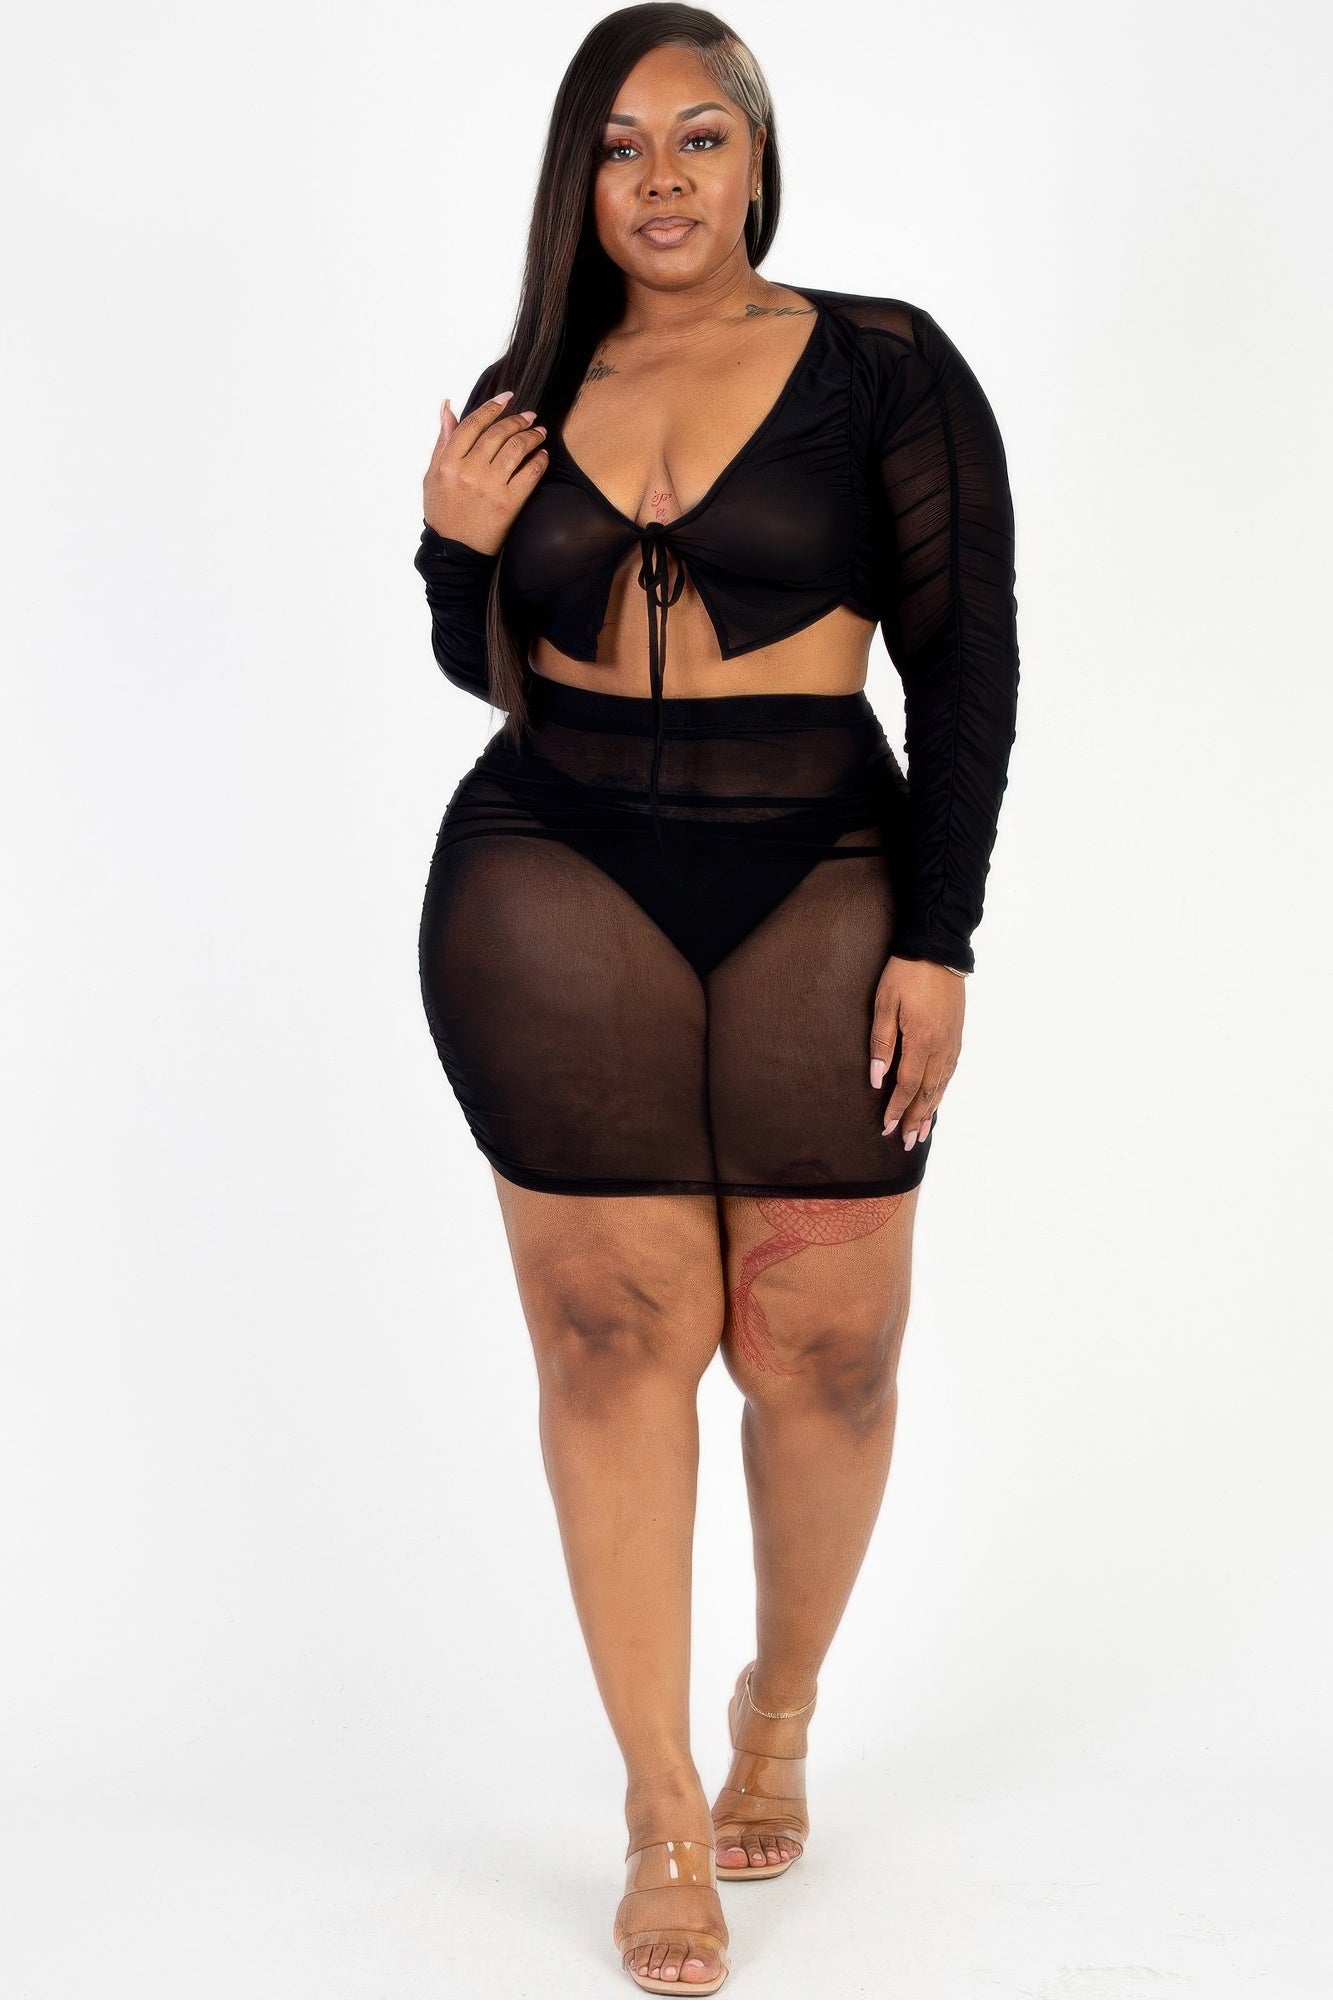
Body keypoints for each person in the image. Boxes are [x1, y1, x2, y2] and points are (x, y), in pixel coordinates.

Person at [412, 7, 1020, 1991]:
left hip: (824, 873)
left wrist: (941, 935)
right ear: (578, 183)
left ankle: (780, 1701)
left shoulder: (882, 364)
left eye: (696, 135)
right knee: (609, 1340)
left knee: (822, 1353)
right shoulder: (530, 385)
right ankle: (660, 1803)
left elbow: (966, 658)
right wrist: (448, 550)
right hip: (551, 874)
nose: (659, 177)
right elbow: (490, 664)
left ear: (758, 158)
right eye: (617, 145)